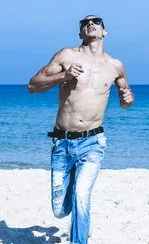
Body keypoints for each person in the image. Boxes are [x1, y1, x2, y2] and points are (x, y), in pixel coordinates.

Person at [28, 15, 134, 244]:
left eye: (97, 21)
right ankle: (75, 212)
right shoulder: (66, 56)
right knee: (59, 210)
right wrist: (64, 76)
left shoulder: (115, 65)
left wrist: (128, 99)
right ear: (80, 33)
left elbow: (126, 101)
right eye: (85, 23)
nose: (90, 24)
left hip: (93, 142)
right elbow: (33, 86)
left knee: (82, 196)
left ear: (104, 31)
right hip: (62, 142)